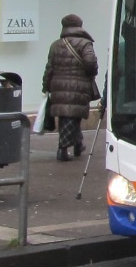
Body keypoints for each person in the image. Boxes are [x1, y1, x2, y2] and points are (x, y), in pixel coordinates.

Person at [42, 14, 99, 162]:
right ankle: (63, 148)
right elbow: (90, 63)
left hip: (58, 85)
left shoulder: (55, 45)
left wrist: (46, 86)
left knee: (66, 117)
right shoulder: (85, 44)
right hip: (79, 85)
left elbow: (49, 68)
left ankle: (77, 144)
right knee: (73, 116)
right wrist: (92, 74)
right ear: (80, 25)